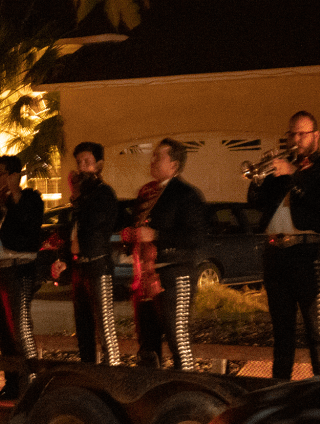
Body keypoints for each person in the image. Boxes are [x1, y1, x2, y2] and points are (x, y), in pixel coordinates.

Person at [248, 110, 320, 380]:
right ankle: (280, 388)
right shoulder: (280, 166)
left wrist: (293, 173)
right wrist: (258, 177)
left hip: (309, 252)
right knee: (281, 331)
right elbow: (256, 202)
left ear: (316, 136)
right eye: (292, 133)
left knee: (317, 328)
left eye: (302, 133)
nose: (296, 139)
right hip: (276, 253)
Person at [121, 138, 206, 370]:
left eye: (158, 156)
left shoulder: (186, 194)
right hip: (145, 275)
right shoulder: (147, 192)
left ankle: (186, 386)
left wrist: (157, 235)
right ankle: (151, 385)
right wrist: (131, 234)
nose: (152, 160)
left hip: (174, 274)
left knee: (177, 337)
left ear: (174, 165)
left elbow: (196, 238)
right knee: (147, 342)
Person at [0, 156, 44, 400]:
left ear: (15, 175)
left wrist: (14, 196)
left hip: (18, 268)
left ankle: (31, 386)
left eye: (1, 174)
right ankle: (12, 384)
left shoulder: (31, 199)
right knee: (2, 332)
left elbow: (28, 226)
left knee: (20, 329)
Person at [50, 142, 121, 365]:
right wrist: (64, 259)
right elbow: (73, 232)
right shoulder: (80, 198)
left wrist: (78, 197)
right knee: (83, 326)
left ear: (99, 165)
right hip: (79, 266)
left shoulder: (103, 194)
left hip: (98, 266)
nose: (81, 167)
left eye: (87, 162)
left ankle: (112, 374)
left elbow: (92, 226)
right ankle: (88, 370)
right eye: (79, 162)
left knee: (105, 326)